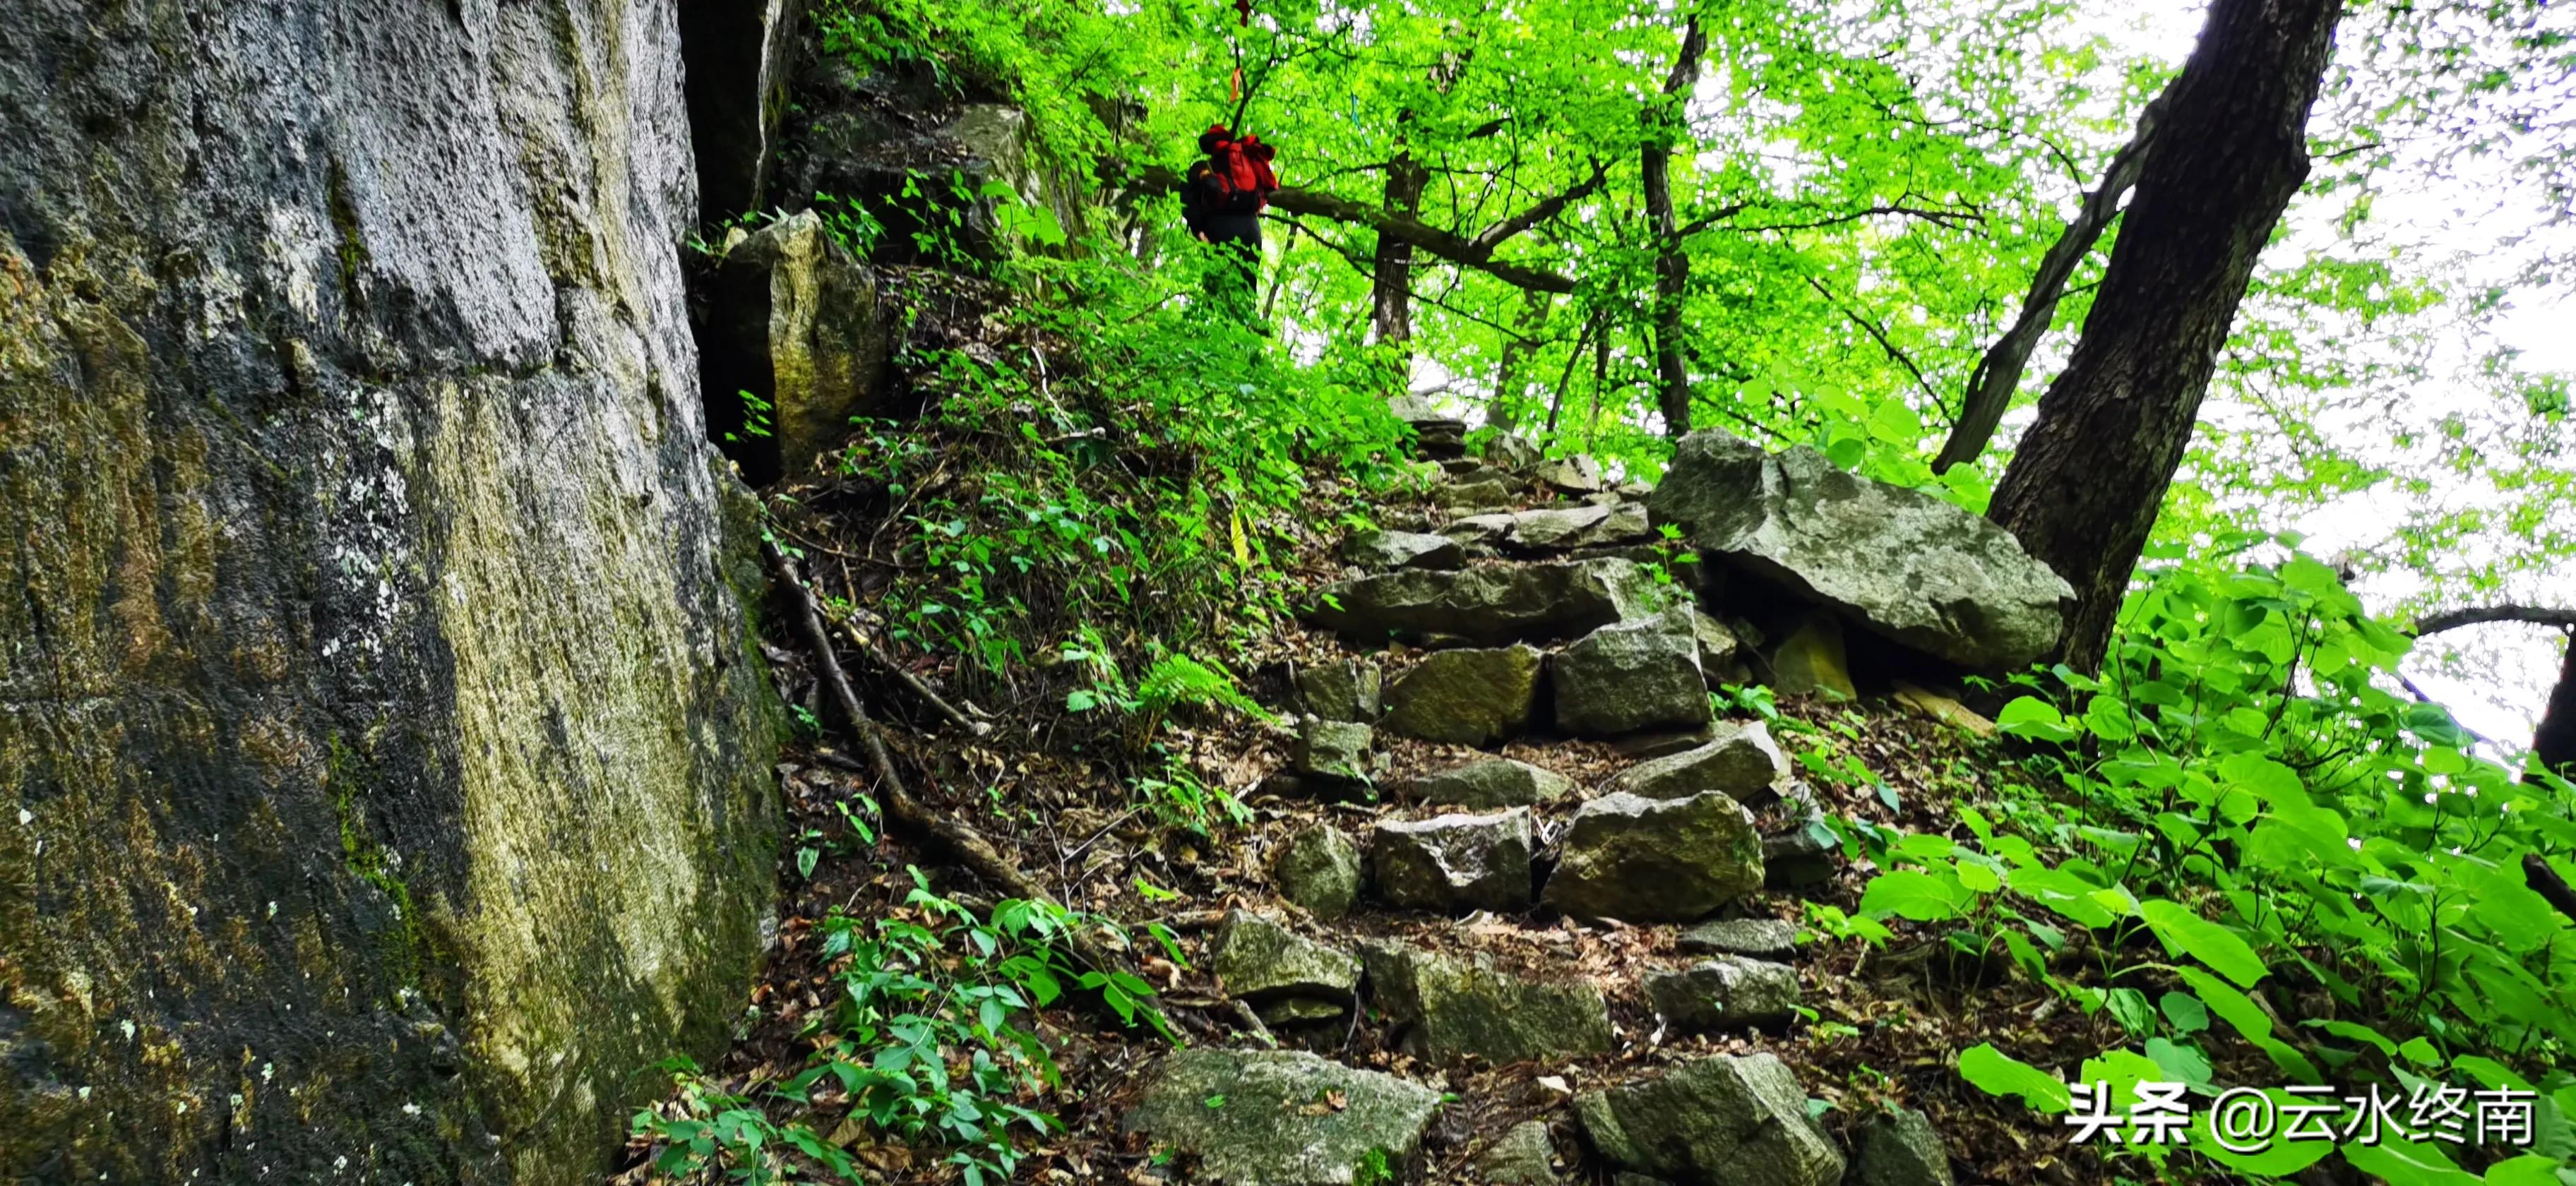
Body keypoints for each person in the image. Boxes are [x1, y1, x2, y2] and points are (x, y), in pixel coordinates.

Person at [1180, 125, 1273, 321]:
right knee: (1247, 292)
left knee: (1216, 293)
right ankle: (1247, 340)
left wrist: (1200, 233)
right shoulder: (1245, 161)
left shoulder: (1203, 167)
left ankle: (1212, 343)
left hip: (1221, 229)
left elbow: (1187, 200)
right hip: (1252, 231)